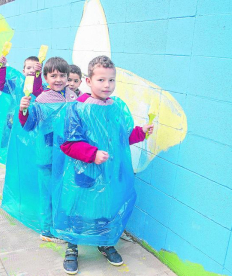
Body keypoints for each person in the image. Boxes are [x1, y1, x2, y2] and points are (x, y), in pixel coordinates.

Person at [51, 56, 154, 274]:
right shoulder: (76, 109)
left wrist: (140, 132)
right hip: (84, 171)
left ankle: (105, 242)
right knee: (77, 207)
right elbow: (68, 144)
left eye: (111, 80)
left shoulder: (116, 107)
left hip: (109, 172)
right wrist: (92, 154)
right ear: (88, 81)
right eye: (101, 80)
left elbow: (122, 139)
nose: (107, 85)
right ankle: (72, 246)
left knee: (105, 207)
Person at [14, 57, 77, 243]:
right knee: (47, 194)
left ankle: (62, 225)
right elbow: (29, 125)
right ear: (46, 78)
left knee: (64, 192)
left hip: (67, 155)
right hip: (47, 156)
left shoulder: (72, 96)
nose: (58, 79)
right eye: (53, 75)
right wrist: (23, 110)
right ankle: (47, 230)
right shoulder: (41, 99)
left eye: (62, 75)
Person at [0, 55, 43, 164]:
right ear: (23, 70)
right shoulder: (15, 84)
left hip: (29, 122)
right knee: (12, 144)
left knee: (28, 144)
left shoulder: (40, 87)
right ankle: (13, 161)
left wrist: (37, 75)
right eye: (28, 68)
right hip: (12, 121)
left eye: (34, 68)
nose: (31, 70)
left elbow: (36, 90)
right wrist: (1, 67)